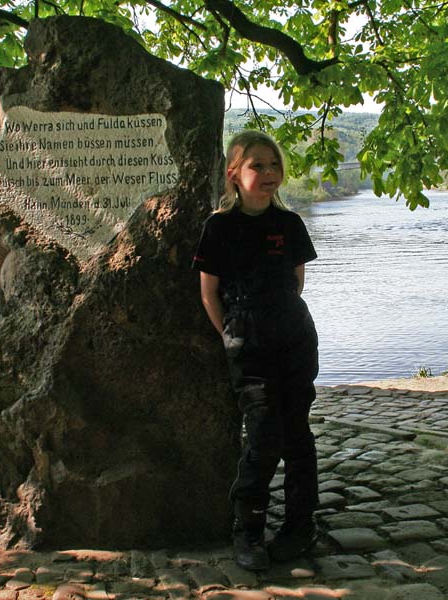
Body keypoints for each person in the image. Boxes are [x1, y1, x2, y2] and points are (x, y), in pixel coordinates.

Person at [192, 130, 320, 571]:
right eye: (257, 165)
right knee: (264, 435)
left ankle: (300, 527)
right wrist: (232, 335)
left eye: (274, 164)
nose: (268, 173)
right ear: (234, 173)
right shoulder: (218, 227)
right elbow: (209, 294)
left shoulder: (290, 224)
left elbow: (296, 283)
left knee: (298, 436)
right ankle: (247, 531)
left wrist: (280, 320)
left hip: (295, 338)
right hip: (248, 341)